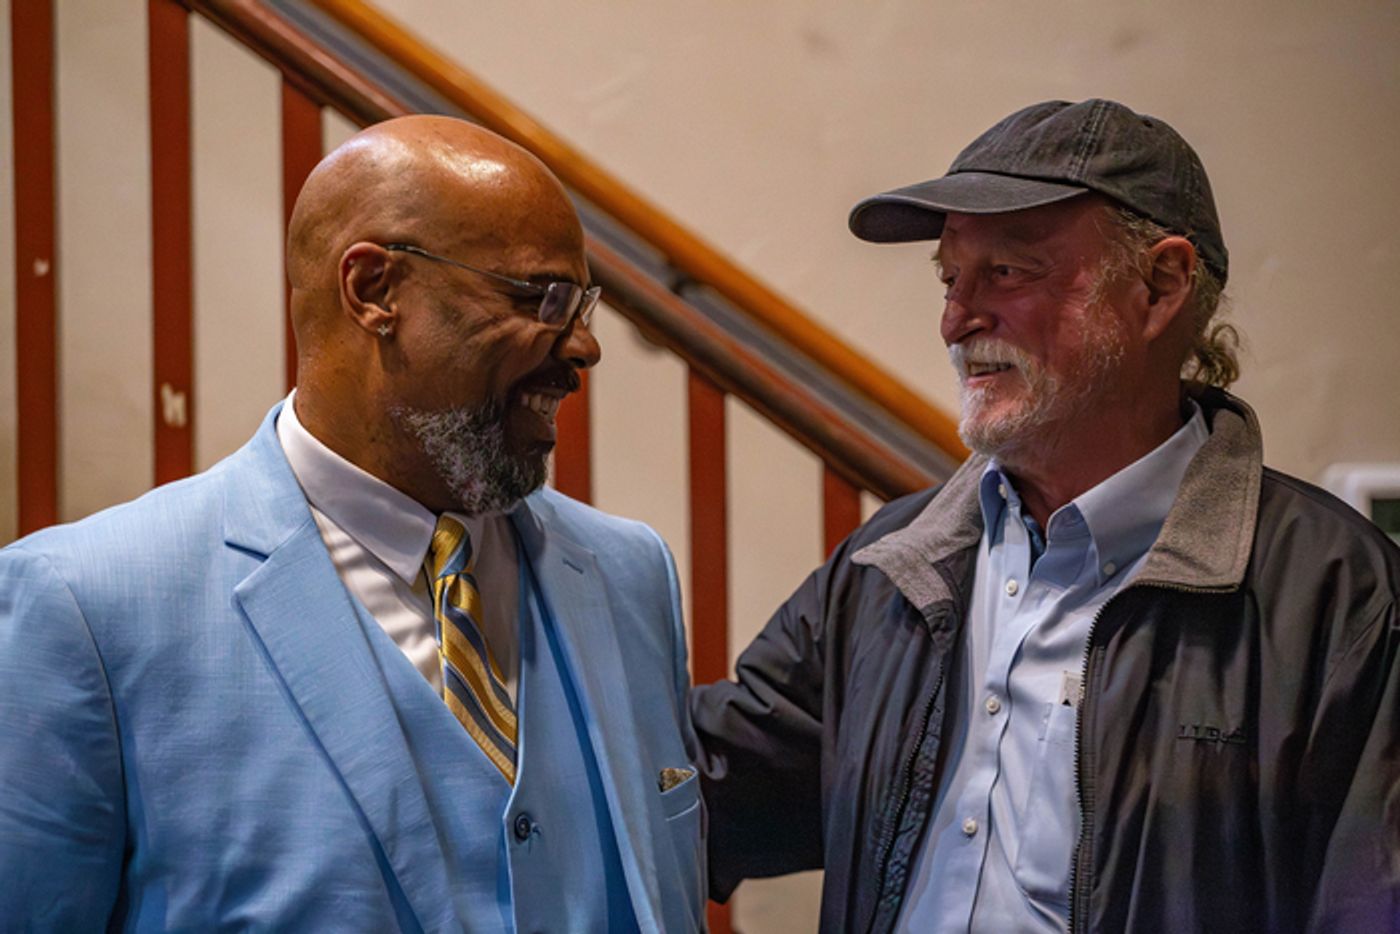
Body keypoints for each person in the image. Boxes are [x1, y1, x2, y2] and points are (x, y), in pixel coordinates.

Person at [691, 99, 1399, 933]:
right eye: (951, 278)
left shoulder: (1336, 598)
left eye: (1008, 273)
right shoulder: (893, 567)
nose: (958, 319)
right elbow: (714, 786)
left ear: (1160, 286)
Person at [0, 115, 703, 932]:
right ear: (373, 292)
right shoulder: (85, 607)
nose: (582, 346)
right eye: (538, 298)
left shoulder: (628, 574)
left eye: (582, 304)